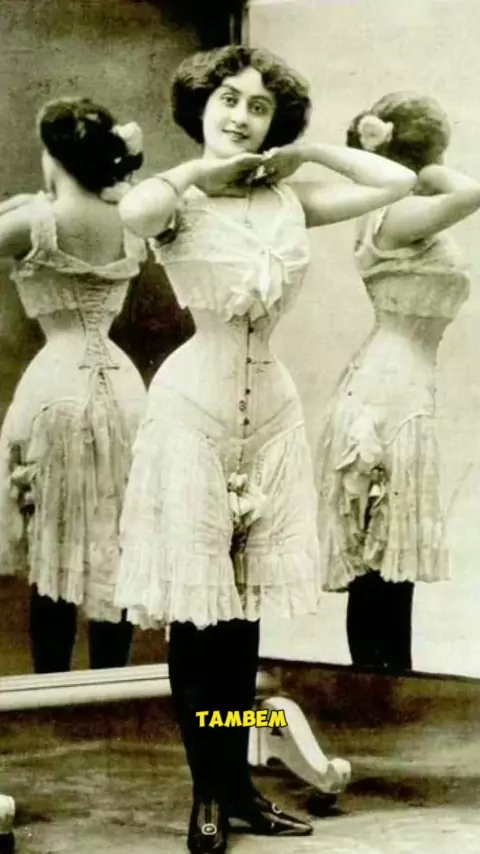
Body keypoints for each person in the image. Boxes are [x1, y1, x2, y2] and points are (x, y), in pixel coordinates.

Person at [114, 46, 415, 854]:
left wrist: (308, 152)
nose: (242, 116)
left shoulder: (288, 196)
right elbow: (135, 212)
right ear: (201, 106)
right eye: (228, 99)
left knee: (243, 618)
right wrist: (202, 173)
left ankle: (242, 788)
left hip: (272, 418)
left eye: (259, 106)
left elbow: (397, 182)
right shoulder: (176, 197)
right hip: (194, 413)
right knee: (199, 620)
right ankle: (208, 793)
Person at [315, 93, 480, 672]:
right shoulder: (398, 214)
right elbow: (472, 192)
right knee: (379, 561)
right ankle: (376, 689)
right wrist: (421, 168)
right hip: (384, 396)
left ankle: (388, 685)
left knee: (391, 561)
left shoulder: (403, 213)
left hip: (401, 389)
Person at [0, 97, 147, 673]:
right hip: (125, 390)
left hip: (58, 386)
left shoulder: (36, 222)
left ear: (53, 156)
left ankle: (52, 691)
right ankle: (108, 687)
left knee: (55, 545)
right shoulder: (131, 217)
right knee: (114, 538)